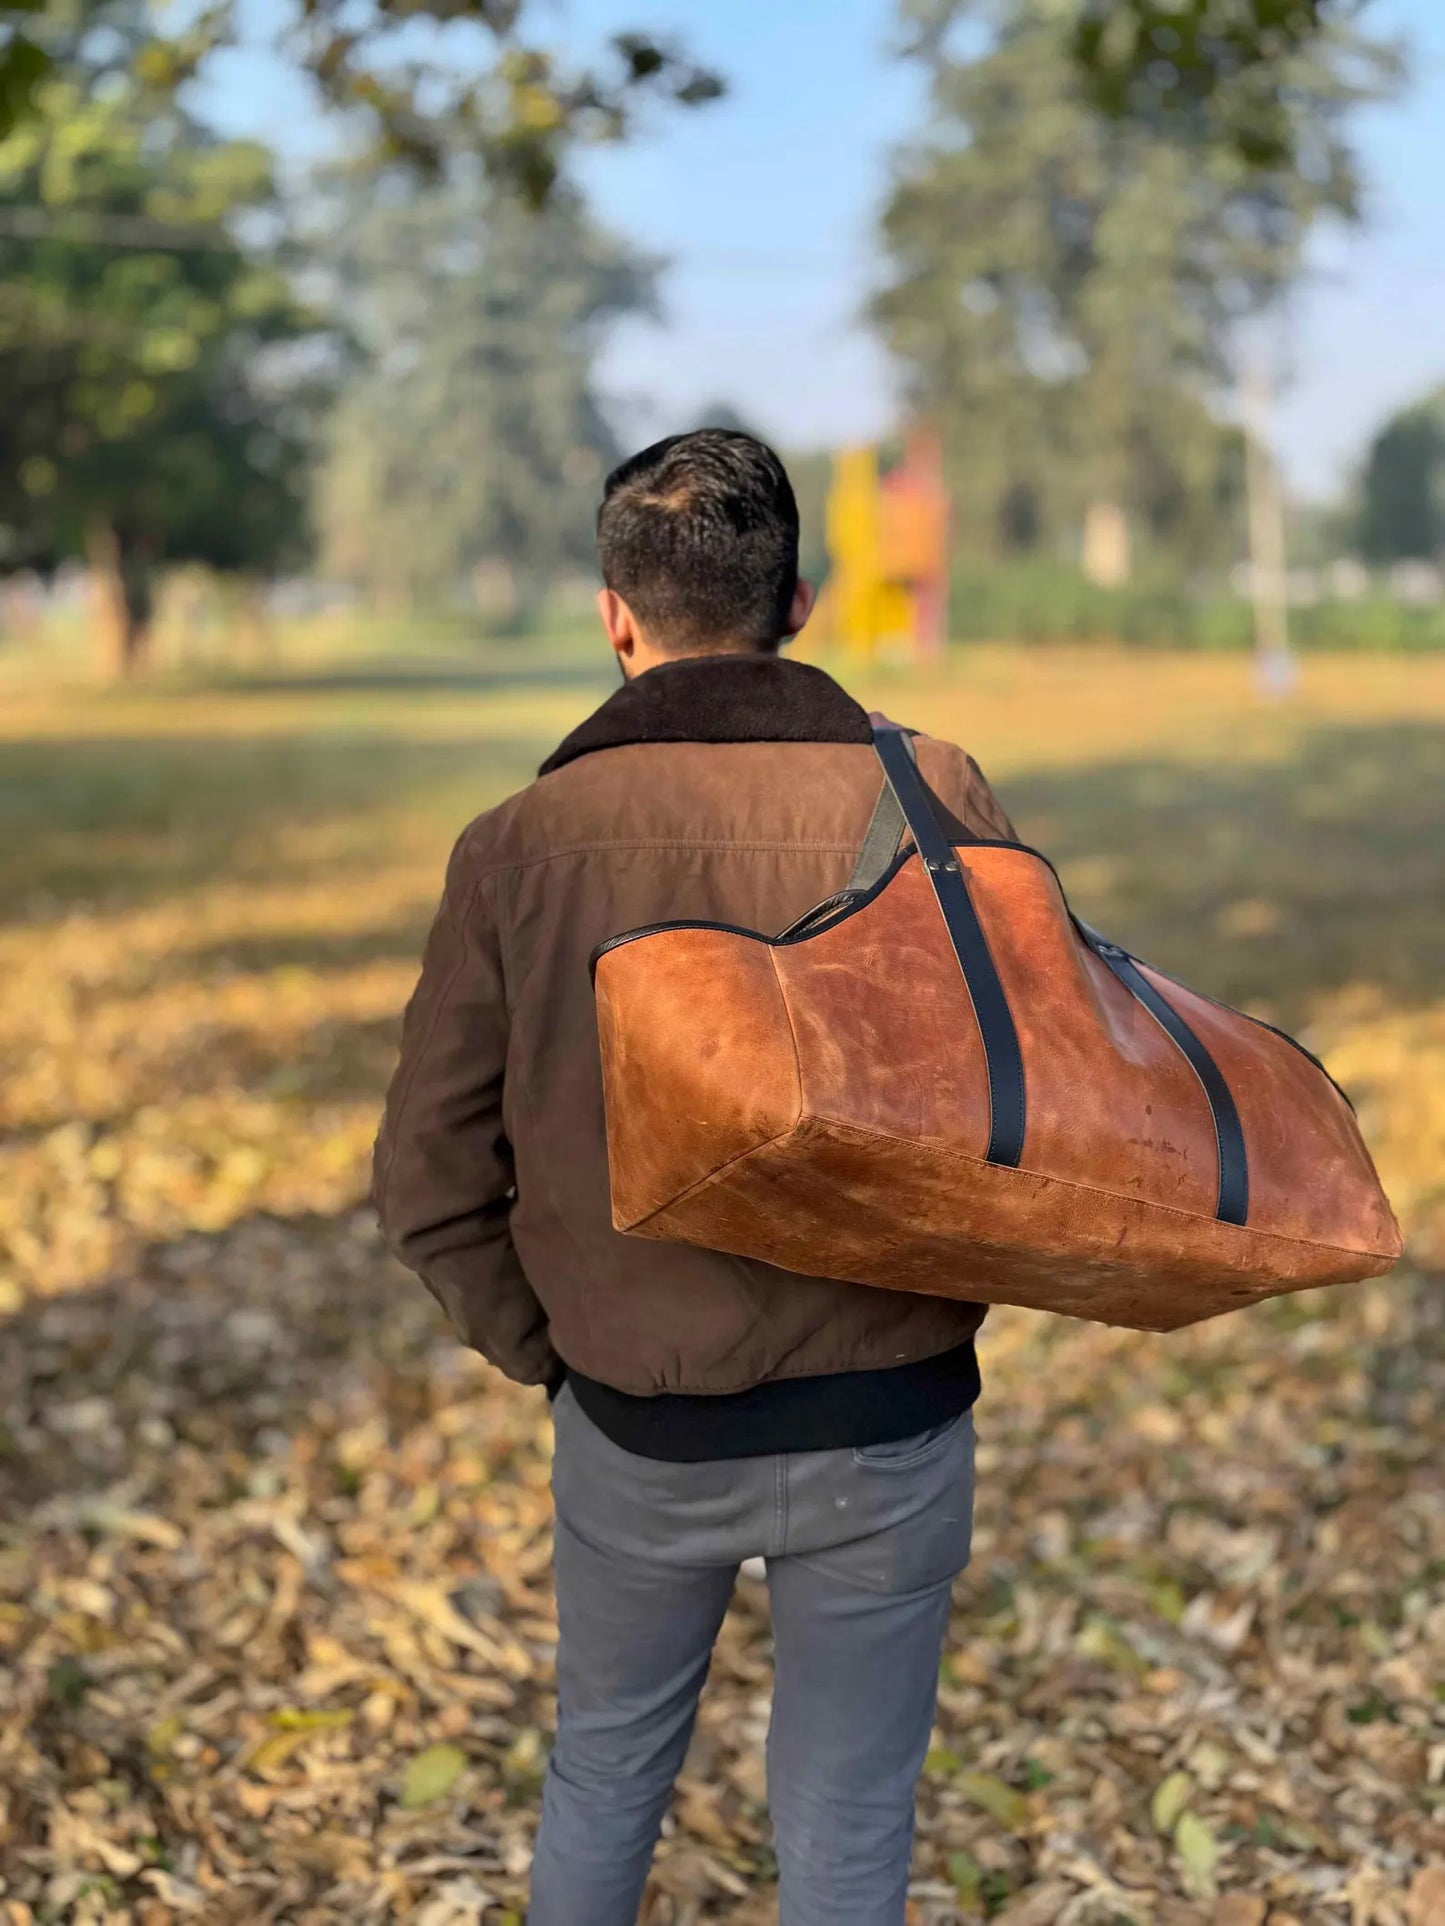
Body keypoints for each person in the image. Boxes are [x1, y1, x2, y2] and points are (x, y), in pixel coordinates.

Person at [373, 429, 1019, 1926]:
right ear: (798, 600)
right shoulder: (932, 794)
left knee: (602, 1773)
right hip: (890, 1415)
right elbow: (1023, 1097)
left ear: (613, 613)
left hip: (634, 1422)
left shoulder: (518, 846)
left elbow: (425, 1175)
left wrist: (561, 1357)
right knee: (851, 1817)